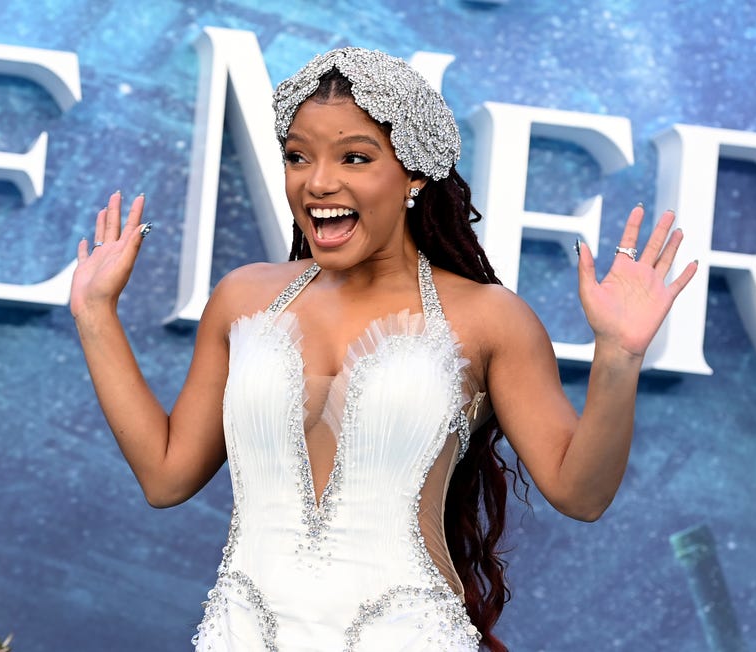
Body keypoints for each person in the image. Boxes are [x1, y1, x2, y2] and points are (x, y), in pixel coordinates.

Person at [69, 47, 697, 651]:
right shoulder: (243, 298)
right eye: (297, 157)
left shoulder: (489, 319)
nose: (318, 182)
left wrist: (619, 355)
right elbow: (166, 475)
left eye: (355, 158)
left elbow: (580, 495)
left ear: (414, 173)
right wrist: (95, 313)